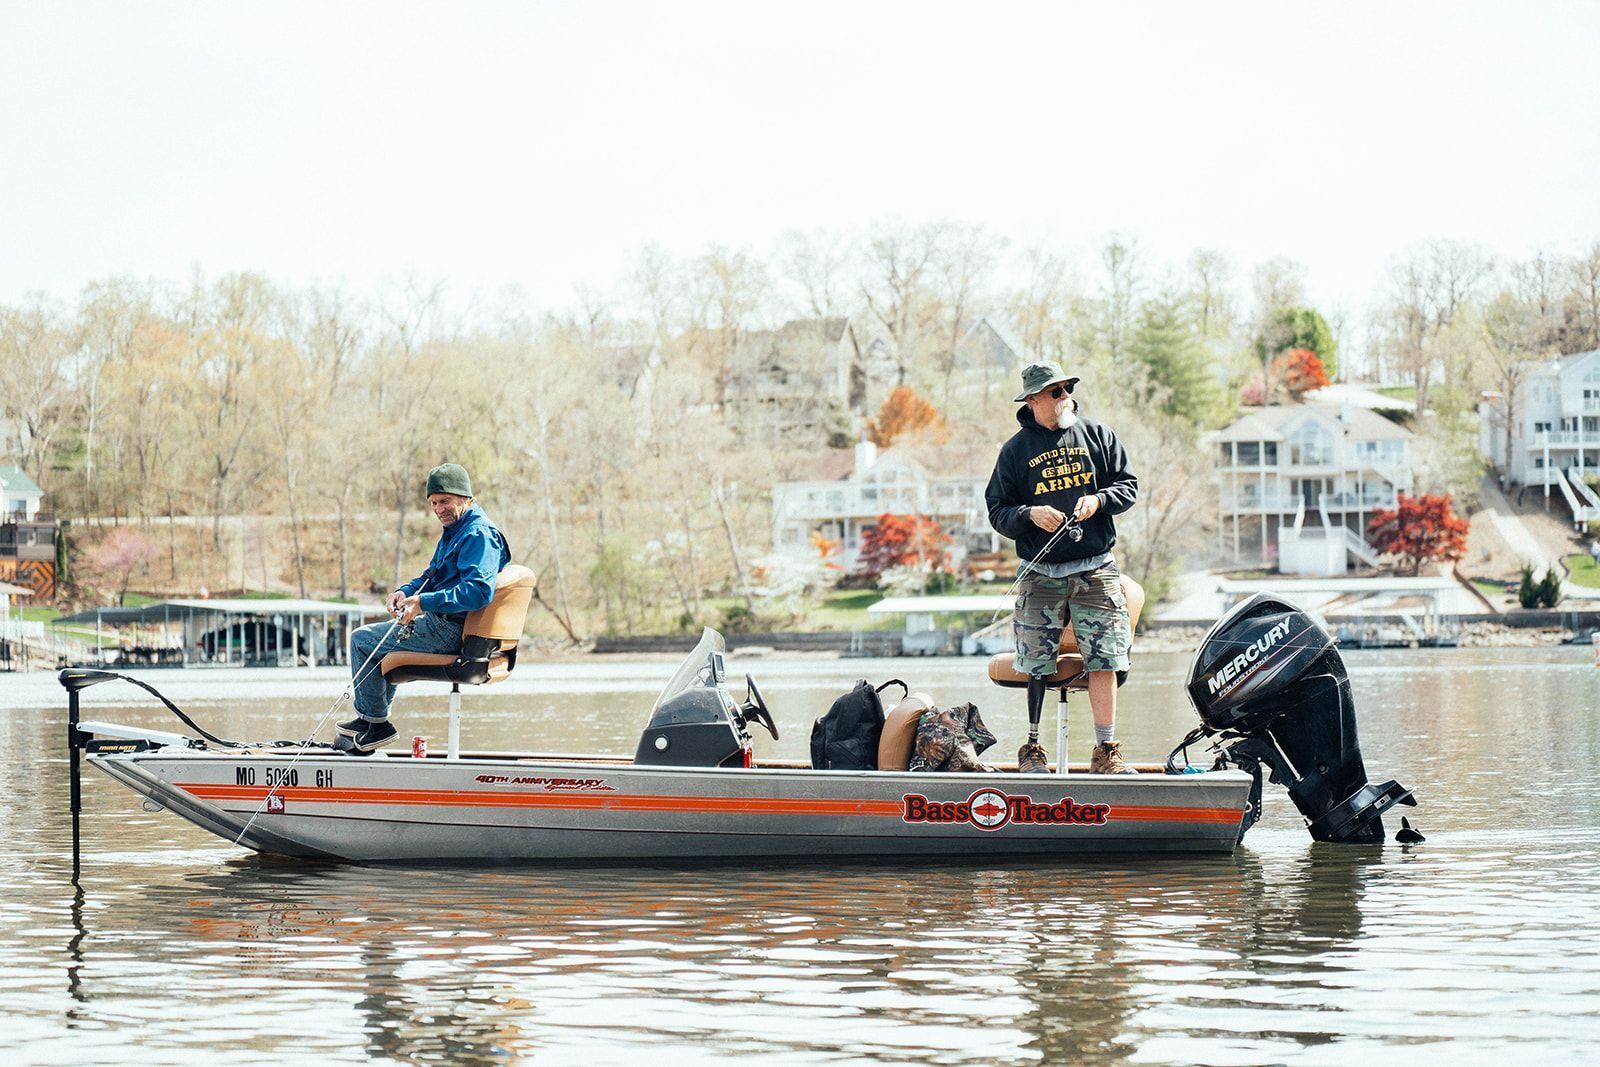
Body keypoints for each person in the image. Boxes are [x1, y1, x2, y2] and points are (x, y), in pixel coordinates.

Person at [985, 361, 1139, 774]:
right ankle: (1032, 750)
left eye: (1067, 388)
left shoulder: (1098, 436)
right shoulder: (1014, 451)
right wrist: (1029, 514)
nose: (1065, 396)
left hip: (1096, 568)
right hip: (1040, 574)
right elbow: (997, 511)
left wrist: (1100, 501)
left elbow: (1128, 486)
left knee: (1106, 658)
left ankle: (1106, 752)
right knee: (1036, 662)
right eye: (1055, 392)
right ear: (1033, 400)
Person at [337, 463, 512, 752]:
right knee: (374, 642)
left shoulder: (477, 535)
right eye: (433, 503)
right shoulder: (458, 529)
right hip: (442, 624)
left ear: (466, 498)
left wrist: (423, 602)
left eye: (445, 501)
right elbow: (433, 575)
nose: (438, 509)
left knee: (361, 640)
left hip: (451, 631)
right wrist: (405, 591)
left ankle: (375, 723)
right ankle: (373, 723)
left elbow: (478, 591)